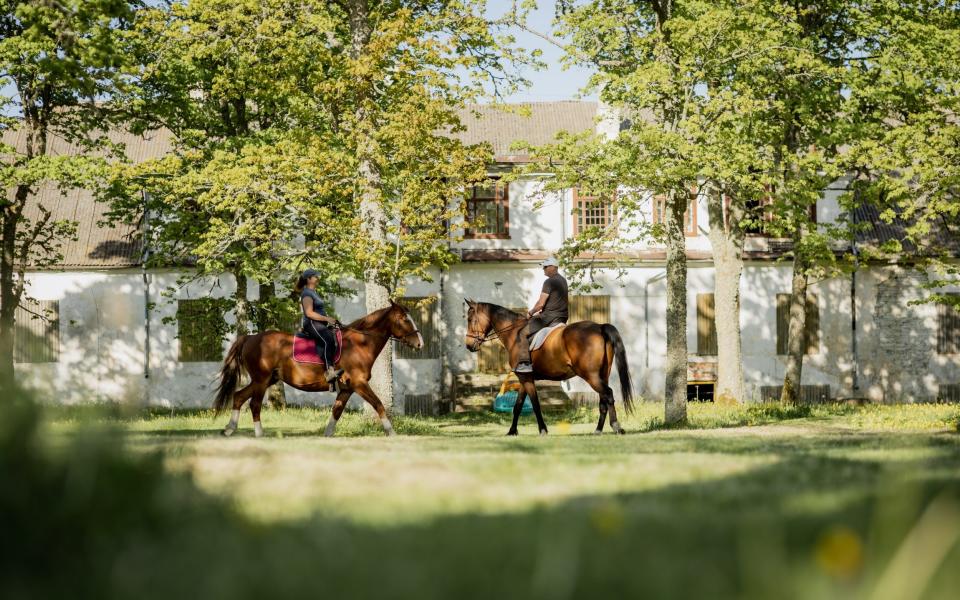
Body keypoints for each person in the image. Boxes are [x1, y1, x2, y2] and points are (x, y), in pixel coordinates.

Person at [514, 257, 568, 373]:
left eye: (545, 267)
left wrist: (530, 313)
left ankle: (524, 364)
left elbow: (540, 303)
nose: (543, 269)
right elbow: (555, 301)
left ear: (553, 267)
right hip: (562, 317)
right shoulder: (563, 280)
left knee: (521, 333)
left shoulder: (549, 281)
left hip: (549, 318)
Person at [295, 268, 343, 382]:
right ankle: (329, 372)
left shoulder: (314, 293)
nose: (318, 278)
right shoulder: (306, 293)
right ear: (309, 279)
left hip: (319, 323)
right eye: (315, 276)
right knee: (328, 339)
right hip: (311, 323)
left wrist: (331, 320)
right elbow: (309, 313)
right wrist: (327, 318)